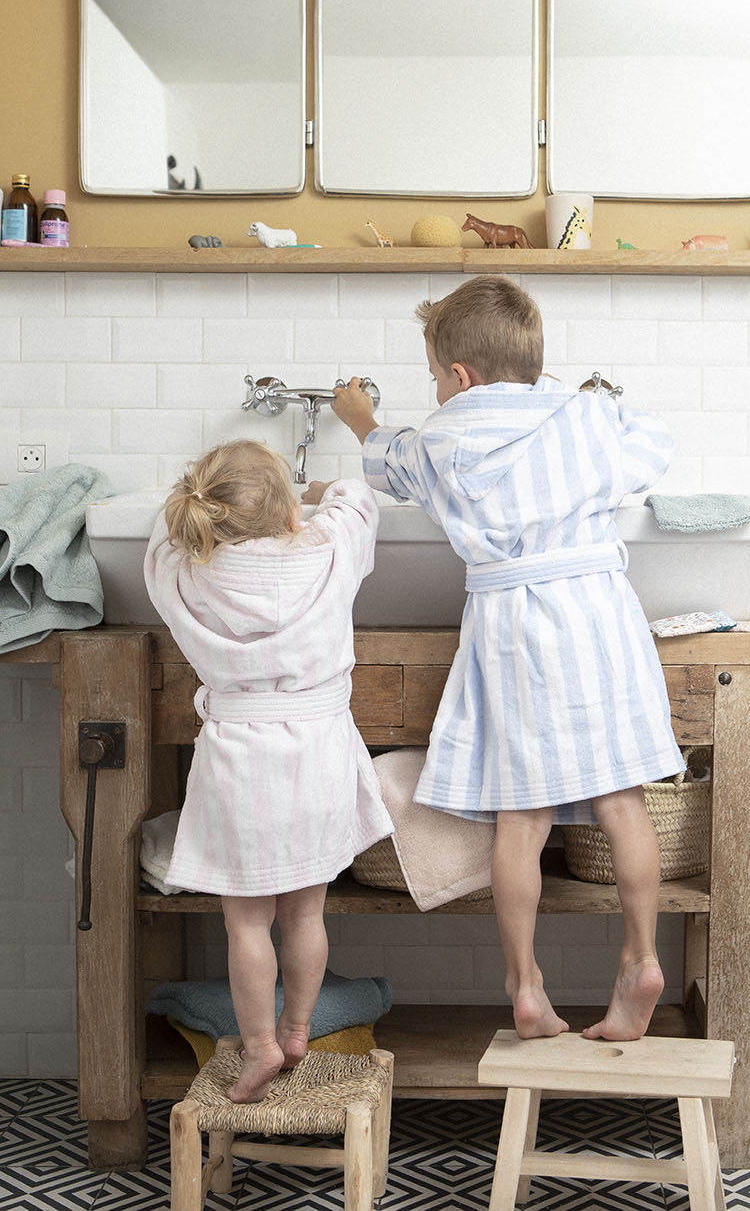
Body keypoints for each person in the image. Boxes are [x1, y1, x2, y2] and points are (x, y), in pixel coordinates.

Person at [324, 275, 685, 1043]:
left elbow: (387, 464)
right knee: (624, 800)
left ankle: (525, 984)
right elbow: (654, 443)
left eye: (434, 377)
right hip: (596, 610)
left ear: (458, 377)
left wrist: (363, 420)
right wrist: (580, 399)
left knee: (520, 819)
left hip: (515, 624)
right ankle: (643, 957)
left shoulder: (440, 441)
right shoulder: (586, 416)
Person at [144, 439, 393, 1101]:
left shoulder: (186, 571)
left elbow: (156, 543)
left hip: (239, 761)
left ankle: (257, 1045)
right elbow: (358, 501)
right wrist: (315, 499)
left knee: (246, 922)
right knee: (306, 915)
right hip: (317, 757)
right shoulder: (326, 552)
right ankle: (296, 1028)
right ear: (288, 516)